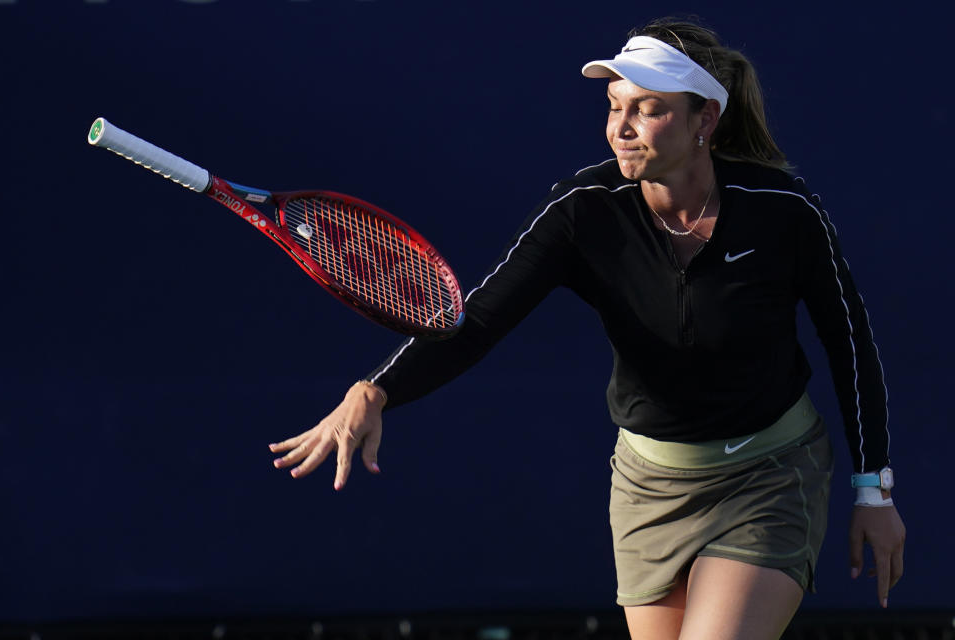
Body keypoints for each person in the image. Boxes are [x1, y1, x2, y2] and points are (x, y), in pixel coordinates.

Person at [269, 17, 906, 640]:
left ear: (704, 120)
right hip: (648, 486)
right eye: (613, 106)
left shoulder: (783, 212)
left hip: (770, 475)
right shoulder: (584, 211)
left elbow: (849, 345)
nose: (621, 129)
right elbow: (477, 318)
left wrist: (872, 491)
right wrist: (378, 389)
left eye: (648, 108)